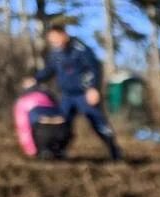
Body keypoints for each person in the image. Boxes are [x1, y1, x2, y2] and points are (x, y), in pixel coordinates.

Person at [24, 24, 122, 160]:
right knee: (62, 123)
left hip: (84, 94)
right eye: (51, 40)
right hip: (67, 96)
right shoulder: (55, 54)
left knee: (98, 123)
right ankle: (58, 153)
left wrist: (93, 88)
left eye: (56, 39)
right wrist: (35, 79)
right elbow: (49, 70)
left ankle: (114, 152)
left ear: (64, 34)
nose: (54, 42)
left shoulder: (80, 49)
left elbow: (94, 68)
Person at [14, 86, 71, 159]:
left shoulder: (22, 102)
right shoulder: (50, 98)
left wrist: (30, 150)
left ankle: (45, 150)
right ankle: (59, 150)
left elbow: (23, 128)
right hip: (63, 129)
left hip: (42, 130)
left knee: (40, 133)